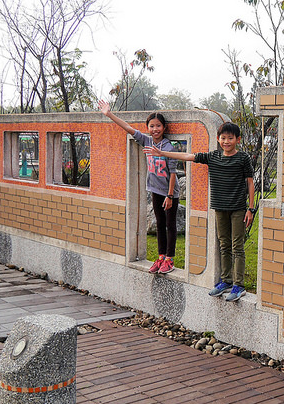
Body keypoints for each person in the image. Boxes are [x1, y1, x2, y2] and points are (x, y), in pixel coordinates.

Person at [147, 122, 255, 302]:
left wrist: (250, 209)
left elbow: (250, 183)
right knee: (224, 245)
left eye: (230, 138)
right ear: (218, 139)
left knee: (237, 247)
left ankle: (239, 285)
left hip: (238, 208)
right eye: (223, 138)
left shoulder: (243, 158)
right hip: (220, 207)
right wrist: (163, 153)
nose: (226, 141)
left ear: (238, 139)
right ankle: (226, 281)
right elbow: (187, 155)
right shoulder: (213, 156)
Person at [99, 99, 179, 274]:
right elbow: (128, 128)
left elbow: (173, 173)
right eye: (151, 126)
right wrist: (109, 114)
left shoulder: (168, 147)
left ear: (164, 128)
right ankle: (160, 257)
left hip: (170, 193)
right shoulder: (147, 141)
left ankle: (169, 260)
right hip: (155, 191)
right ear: (148, 128)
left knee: (170, 225)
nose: (155, 129)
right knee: (159, 224)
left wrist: (170, 195)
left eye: (158, 126)